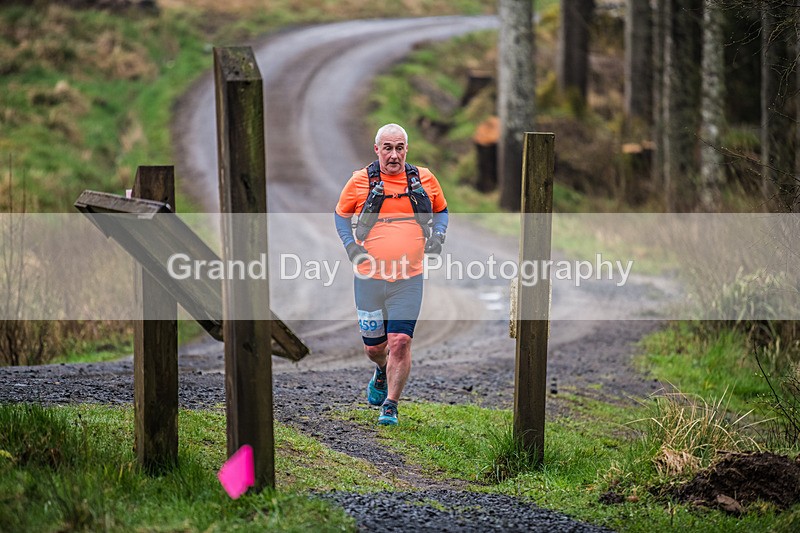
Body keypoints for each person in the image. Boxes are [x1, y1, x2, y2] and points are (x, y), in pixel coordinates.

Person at [334, 123, 449, 425]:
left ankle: (390, 406)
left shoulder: (423, 179)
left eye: (399, 147)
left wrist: (438, 235)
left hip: (409, 278)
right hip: (369, 277)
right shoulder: (361, 181)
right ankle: (381, 370)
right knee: (375, 347)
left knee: (399, 341)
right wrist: (350, 247)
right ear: (377, 150)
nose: (394, 155)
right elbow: (341, 215)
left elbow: (441, 210)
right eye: (388, 148)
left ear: (406, 149)